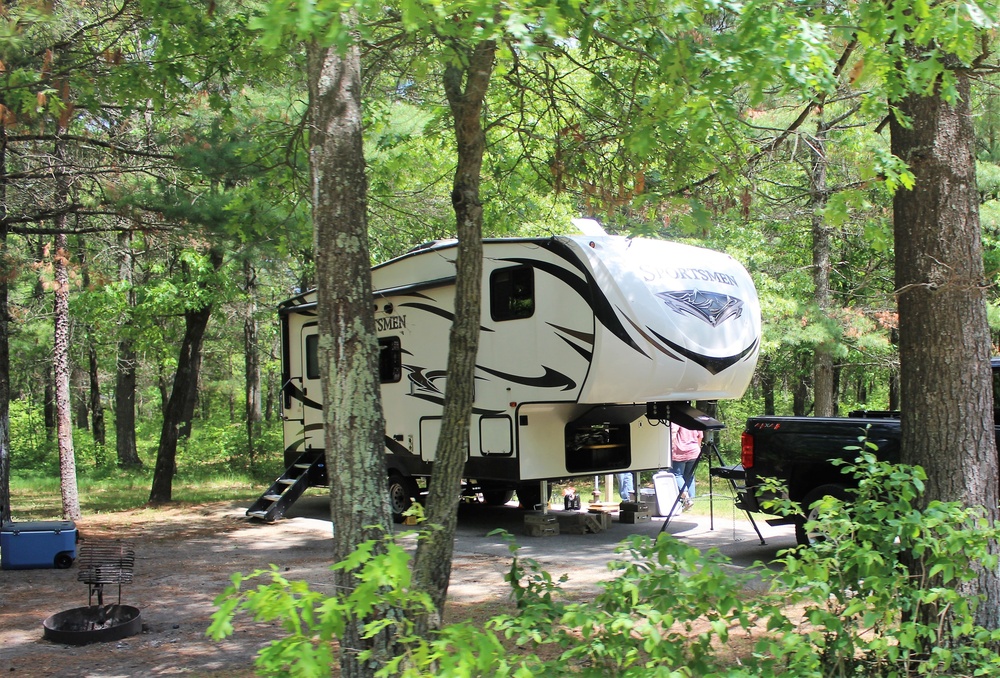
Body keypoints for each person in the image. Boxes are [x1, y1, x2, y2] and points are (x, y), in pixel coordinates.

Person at [670, 422, 703, 510]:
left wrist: (671, 449)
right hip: (694, 451)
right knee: (690, 477)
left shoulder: (677, 419)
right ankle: (690, 501)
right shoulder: (694, 419)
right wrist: (698, 449)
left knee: (677, 476)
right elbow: (700, 436)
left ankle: (687, 499)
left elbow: (673, 433)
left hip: (679, 452)